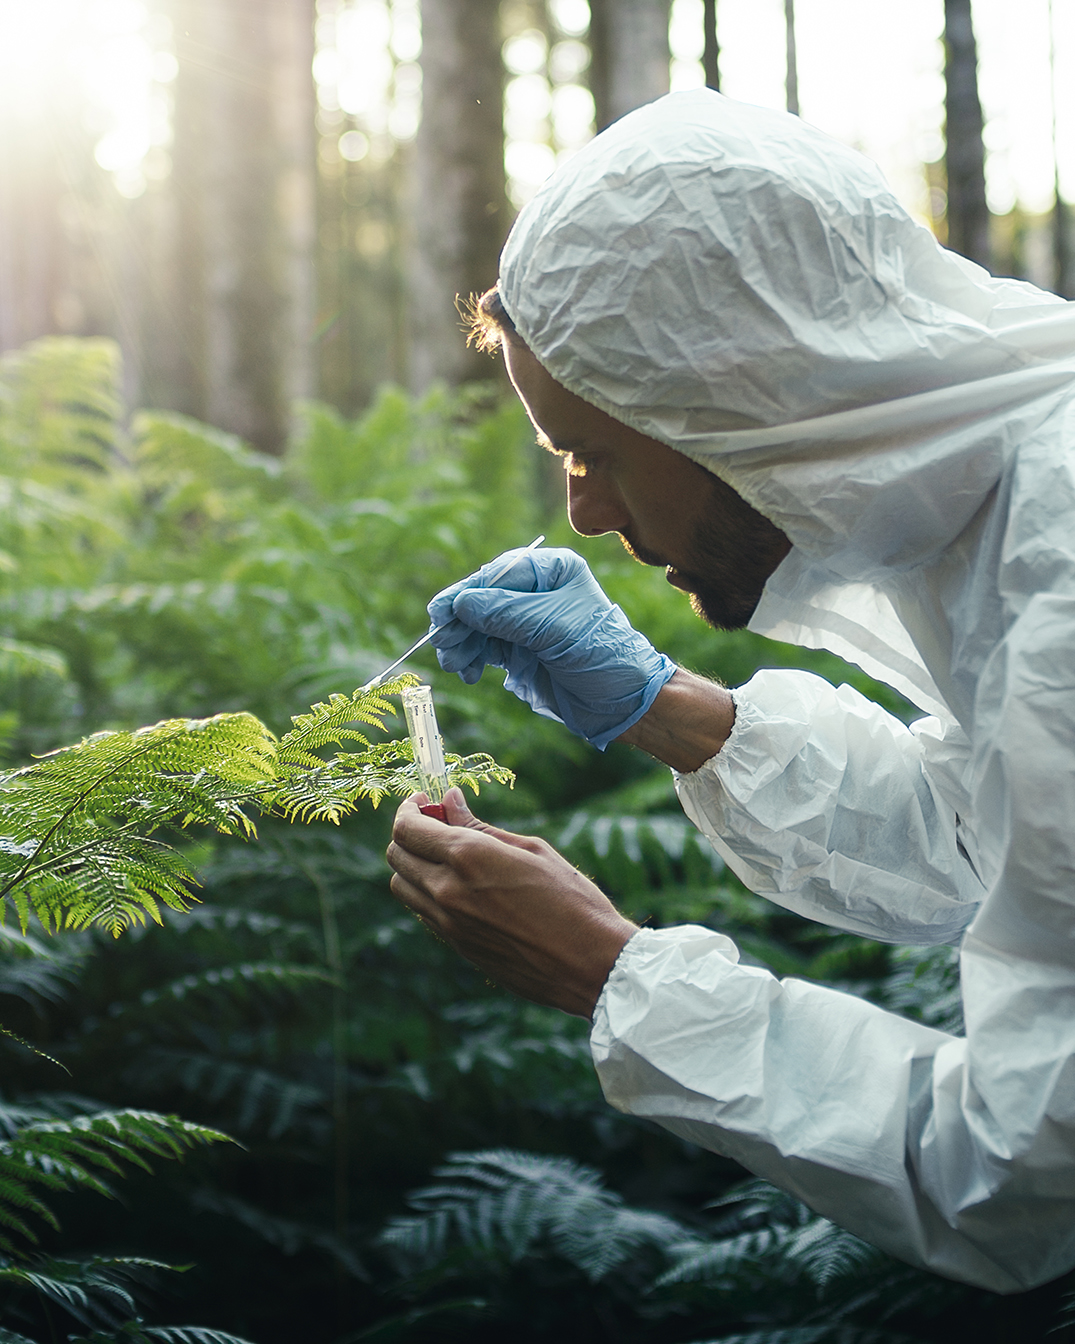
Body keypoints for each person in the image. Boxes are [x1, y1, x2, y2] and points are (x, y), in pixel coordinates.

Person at [385, 89, 1075, 1293]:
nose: (587, 515)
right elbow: (997, 837)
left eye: (593, 456)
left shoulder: (1060, 587)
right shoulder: (1000, 495)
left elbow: (1027, 1172)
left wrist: (615, 976)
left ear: (742, 403)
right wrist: (670, 712)